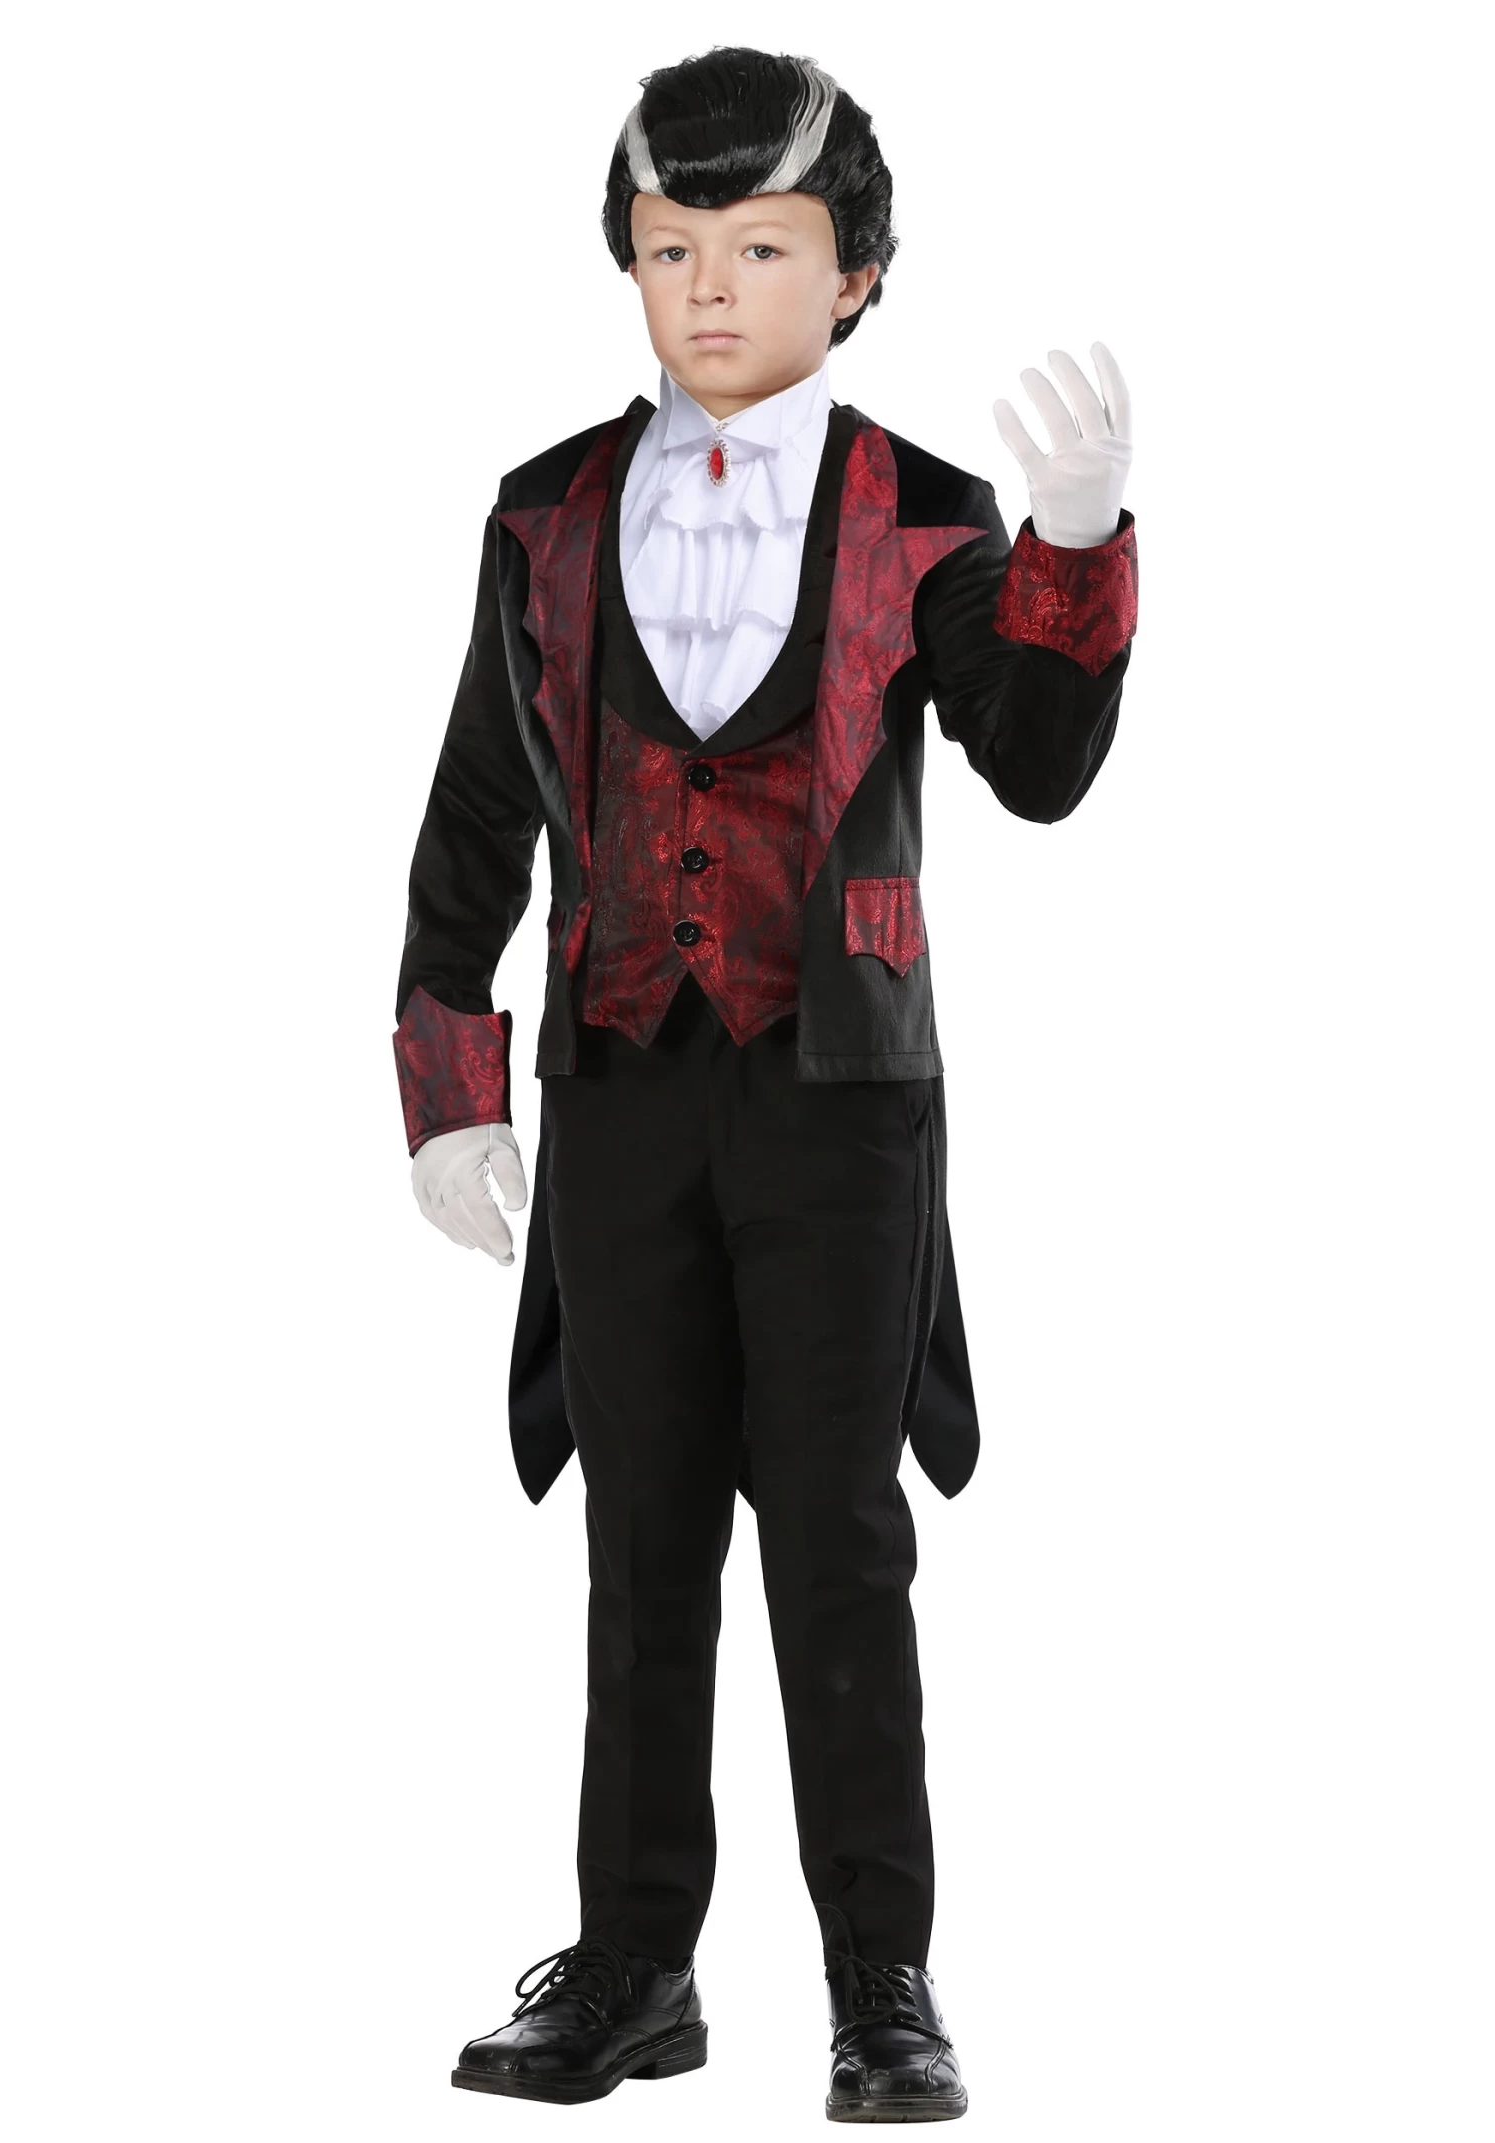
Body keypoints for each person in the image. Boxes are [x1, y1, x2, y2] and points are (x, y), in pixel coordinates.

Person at [391, 44, 1137, 2122]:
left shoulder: (927, 509)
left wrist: (1076, 549)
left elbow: (1041, 768)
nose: (711, 288)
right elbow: (475, 814)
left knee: (837, 1544)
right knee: (641, 1548)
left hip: (840, 1097)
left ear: (857, 273)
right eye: (673, 249)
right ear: (632, 263)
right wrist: (453, 1082)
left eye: (763, 248)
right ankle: (635, 1967)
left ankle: (884, 1984)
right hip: (622, 1082)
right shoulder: (543, 512)